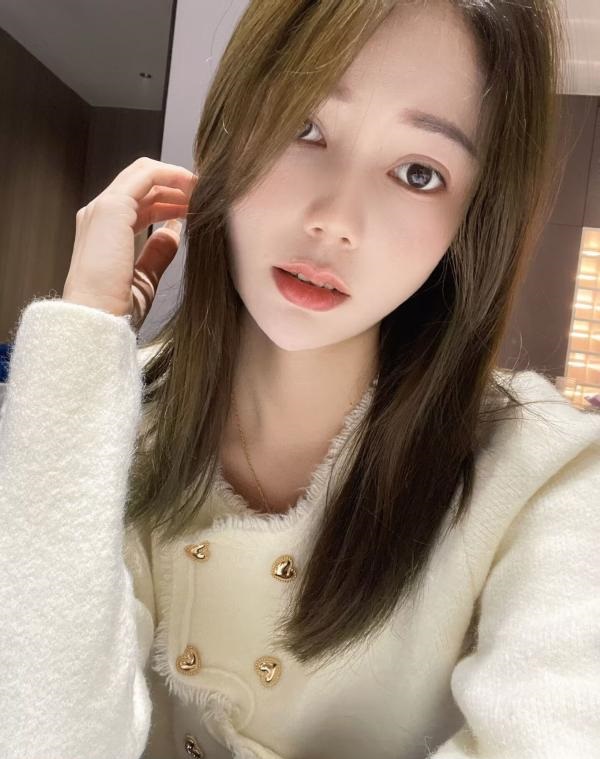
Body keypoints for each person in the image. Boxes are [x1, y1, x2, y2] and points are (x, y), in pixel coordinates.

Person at [1, 0, 599, 758]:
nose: (336, 219)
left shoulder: (548, 477)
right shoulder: (100, 420)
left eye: (418, 173)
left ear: (470, 221)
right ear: (228, 133)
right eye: (302, 127)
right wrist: (81, 344)